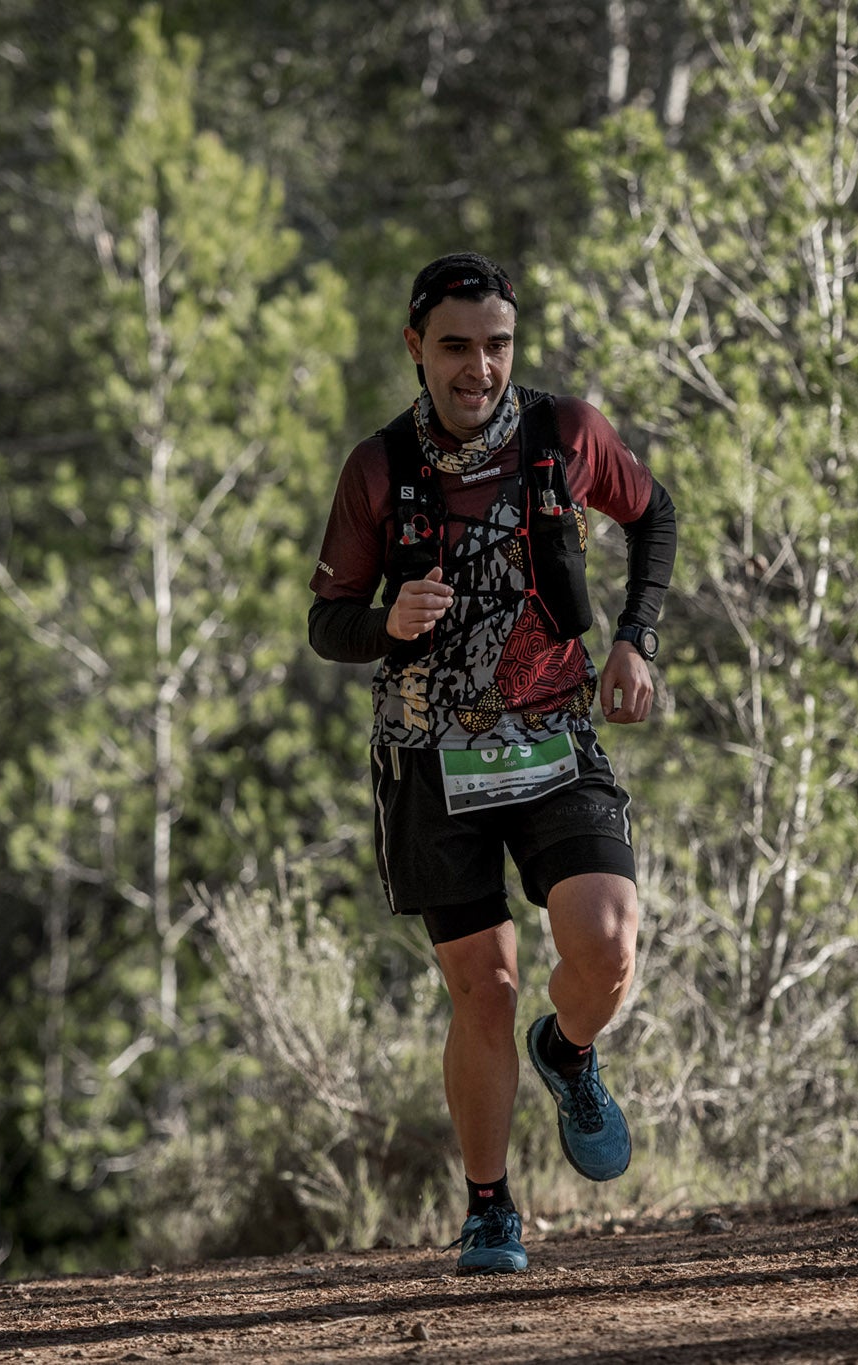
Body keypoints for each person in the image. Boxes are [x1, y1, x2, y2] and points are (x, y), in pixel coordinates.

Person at [307, 252, 677, 1274]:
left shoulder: (565, 435)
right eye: (457, 347)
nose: (479, 370)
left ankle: (567, 1052)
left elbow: (653, 516)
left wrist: (636, 638)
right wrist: (385, 623)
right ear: (415, 348)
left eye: (497, 346)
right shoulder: (377, 469)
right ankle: (488, 1209)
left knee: (603, 944)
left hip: (553, 736)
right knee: (484, 986)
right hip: (429, 760)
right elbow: (324, 623)